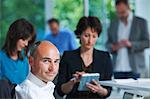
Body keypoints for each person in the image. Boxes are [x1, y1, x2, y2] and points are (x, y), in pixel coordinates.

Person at [56, 16, 113, 99]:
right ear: (79, 34)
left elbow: (108, 91)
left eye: (94, 36)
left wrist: (99, 89)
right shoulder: (68, 57)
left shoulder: (105, 58)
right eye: (86, 35)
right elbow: (60, 91)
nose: (90, 41)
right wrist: (73, 81)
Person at [107, 0, 149, 79]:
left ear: (129, 7)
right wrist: (114, 47)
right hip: (117, 68)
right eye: (118, 12)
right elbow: (107, 43)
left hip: (135, 68)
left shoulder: (141, 22)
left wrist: (131, 44)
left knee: (134, 91)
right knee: (119, 91)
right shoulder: (113, 23)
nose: (120, 15)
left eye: (123, 12)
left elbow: (147, 42)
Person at [0, 18, 36, 98]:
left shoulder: (24, 61)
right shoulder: (1, 58)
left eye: (28, 41)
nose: (26, 44)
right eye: (23, 39)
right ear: (13, 35)